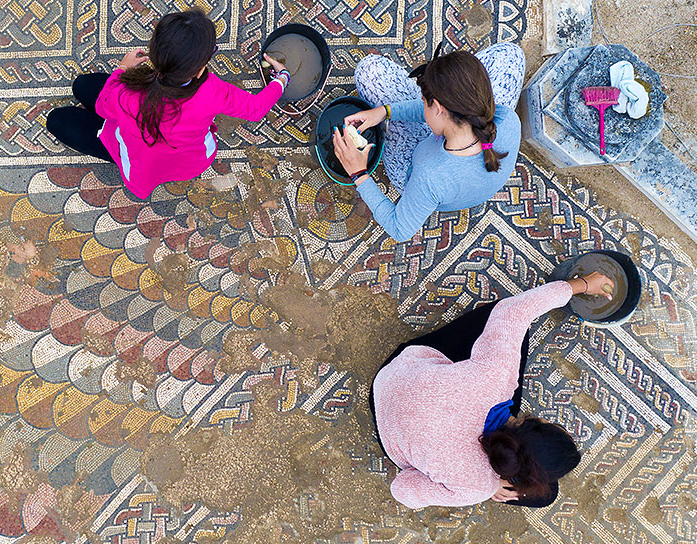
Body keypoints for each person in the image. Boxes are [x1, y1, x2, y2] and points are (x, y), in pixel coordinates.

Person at [370, 272, 614, 508]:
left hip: (394, 376)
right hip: (391, 435)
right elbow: (402, 488)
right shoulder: (476, 487)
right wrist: (485, 486)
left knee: (511, 328)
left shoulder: (495, 377)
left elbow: (513, 311)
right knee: (547, 496)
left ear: (535, 422)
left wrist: (580, 285)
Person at [45, 8, 290, 200]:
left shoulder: (127, 93)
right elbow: (257, 108)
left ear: (155, 52)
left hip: (138, 157)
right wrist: (282, 78)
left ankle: (112, 147)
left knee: (66, 106)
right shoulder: (213, 90)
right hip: (187, 161)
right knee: (75, 99)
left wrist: (122, 68)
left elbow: (103, 106)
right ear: (199, 67)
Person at [332, 43, 526, 242]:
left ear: (440, 109)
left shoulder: (428, 175)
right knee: (511, 54)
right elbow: (440, 113)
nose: (422, 104)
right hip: (464, 180)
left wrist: (359, 174)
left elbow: (399, 229)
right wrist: (385, 112)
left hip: (420, 178)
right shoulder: (507, 119)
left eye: (425, 101)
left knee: (369, 70)